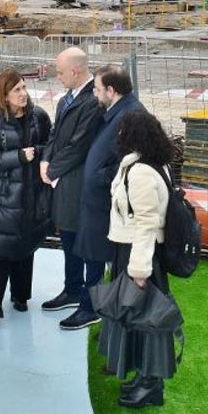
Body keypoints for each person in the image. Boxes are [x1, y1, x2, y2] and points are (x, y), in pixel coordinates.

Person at [101, 110, 177, 408]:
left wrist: (139, 269)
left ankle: (150, 384)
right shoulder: (150, 164)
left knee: (147, 320)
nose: (118, 136)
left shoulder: (141, 172)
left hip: (139, 255)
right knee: (140, 319)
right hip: (136, 252)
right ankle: (146, 378)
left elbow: (146, 221)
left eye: (122, 131)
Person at [67, 65, 146, 330]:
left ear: (112, 91)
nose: (95, 94)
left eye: (98, 90)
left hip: (108, 203)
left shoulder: (132, 116)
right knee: (94, 255)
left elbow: (136, 161)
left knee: (98, 257)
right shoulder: (115, 111)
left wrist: (101, 175)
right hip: (99, 201)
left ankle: (92, 309)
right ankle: (92, 305)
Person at [0, 70, 53, 319]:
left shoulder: (39, 117)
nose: (23, 94)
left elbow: (50, 147)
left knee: (25, 246)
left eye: (23, 87)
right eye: (16, 90)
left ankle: (21, 296)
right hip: (2, 197)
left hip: (31, 193)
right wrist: (18, 157)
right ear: (4, 96)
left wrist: (38, 153)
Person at [39, 47, 103, 323]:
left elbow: (80, 144)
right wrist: (45, 160)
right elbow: (55, 134)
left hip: (81, 182)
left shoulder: (92, 102)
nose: (58, 76)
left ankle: (92, 304)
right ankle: (73, 289)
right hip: (64, 181)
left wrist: (52, 168)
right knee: (68, 237)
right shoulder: (67, 98)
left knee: (87, 243)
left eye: (61, 72)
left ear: (75, 72)